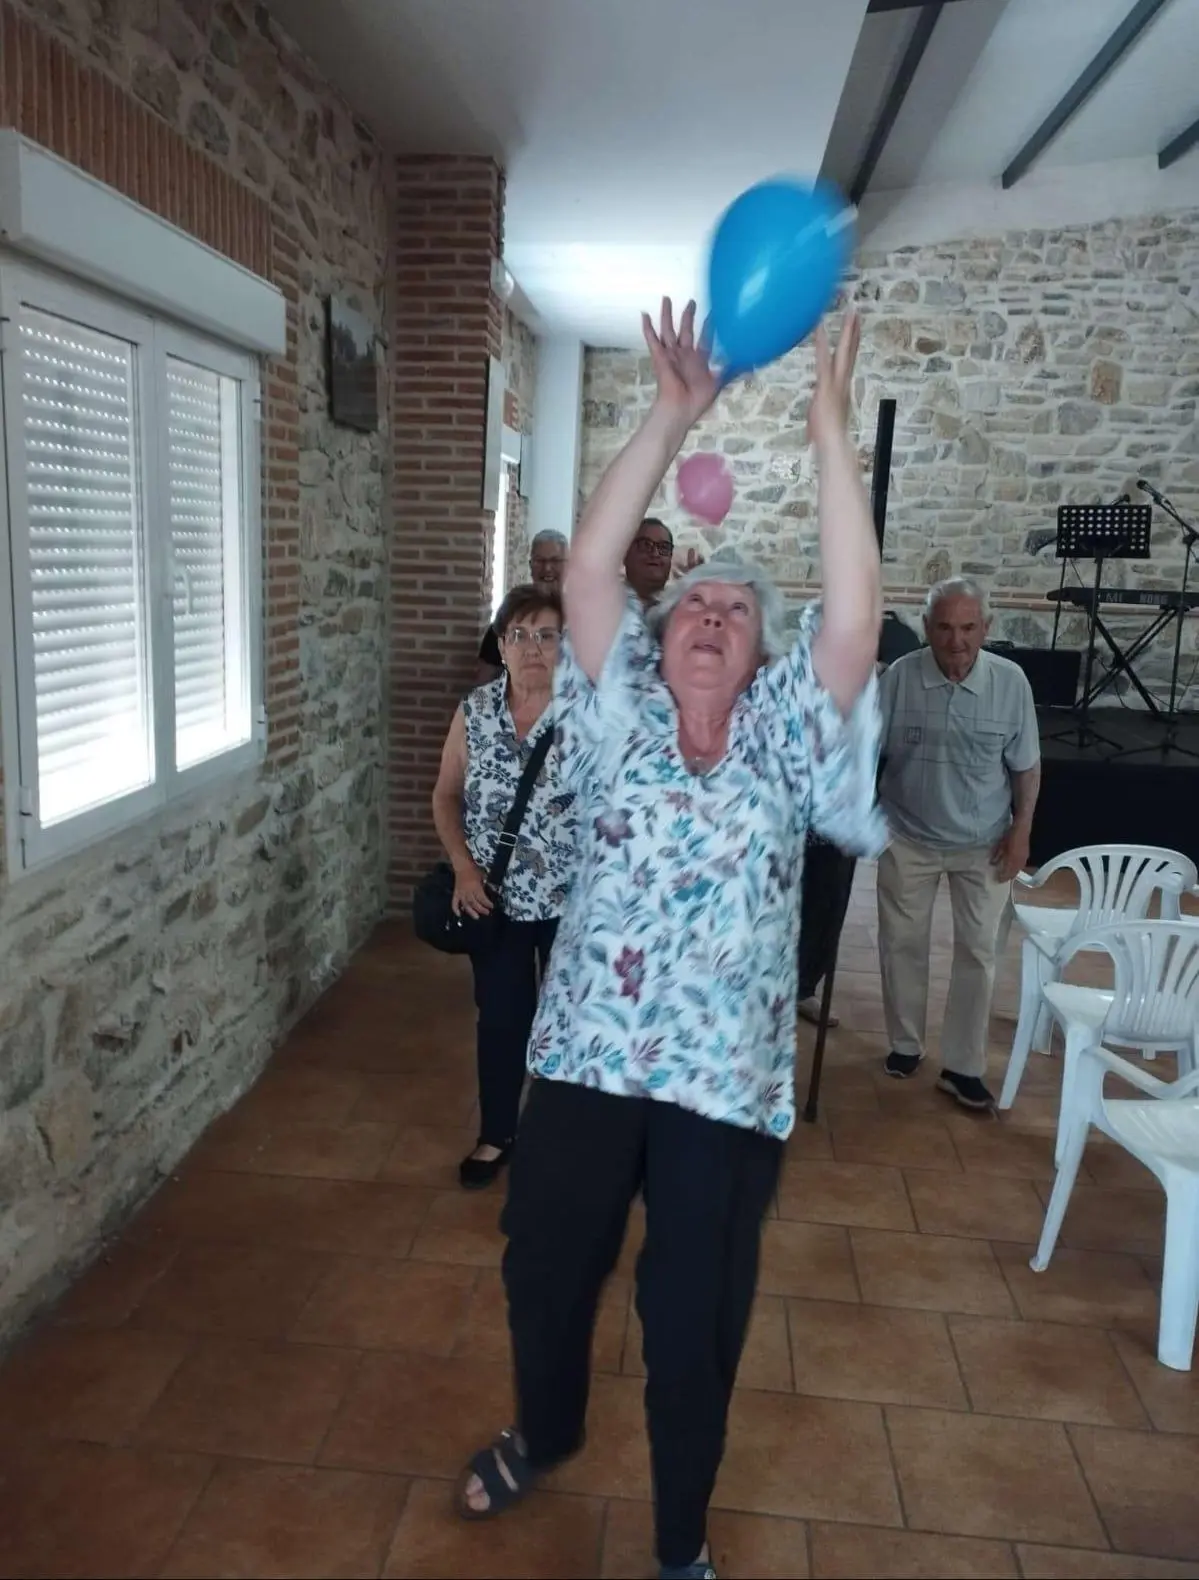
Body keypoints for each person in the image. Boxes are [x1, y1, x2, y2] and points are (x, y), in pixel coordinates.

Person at [457, 298, 886, 1580]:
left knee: (691, 1316)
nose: (705, 615)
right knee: (542, 1264)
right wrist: (669, 413)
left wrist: (828, 439)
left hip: (717, 1082)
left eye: (735, 613)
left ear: (762, 655)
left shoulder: (780, 734)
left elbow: (856, 624)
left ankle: (678, 1539)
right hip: (587, 1056)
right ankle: (546, 1426)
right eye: (692, 601)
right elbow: (585, 572)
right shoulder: (615, 710)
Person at [431, 583, 577, 1189]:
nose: (533, 647)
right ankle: (497, 1133)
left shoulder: (594, 714)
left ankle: (571, 1140)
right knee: (501, 1018)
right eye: (519, 635)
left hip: (577, 903)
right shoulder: (475, 710)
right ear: (500, 644)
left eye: (547, 634)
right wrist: (463, 868)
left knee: (573, 1021)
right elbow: (445, 796)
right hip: (496, 900)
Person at [877, 576, 1041, 1111]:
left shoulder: (1012, 682)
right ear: (926, 628)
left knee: (978, 953)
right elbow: (866, 753)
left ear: (986, 629)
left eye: (969, 628)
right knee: (902, 944)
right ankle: (906, 1044)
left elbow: (1027, 766)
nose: (956, 641)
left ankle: (963, 1066)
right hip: (907, 835)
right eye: (944, 627)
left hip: (985, 842)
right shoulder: (899, 678)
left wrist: (1022, 831)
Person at [796, 610, 922, 1027]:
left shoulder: (870, 687)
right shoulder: (789, 679)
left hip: (838, 816)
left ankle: (804, 987)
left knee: (827, 905)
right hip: (787, 818)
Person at [475, 530, 570, 684]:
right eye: (540, 560)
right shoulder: (510, 611)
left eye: (555, 561)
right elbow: (484, 680)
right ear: (530, 565)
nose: (547, 568)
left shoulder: (582, 615)